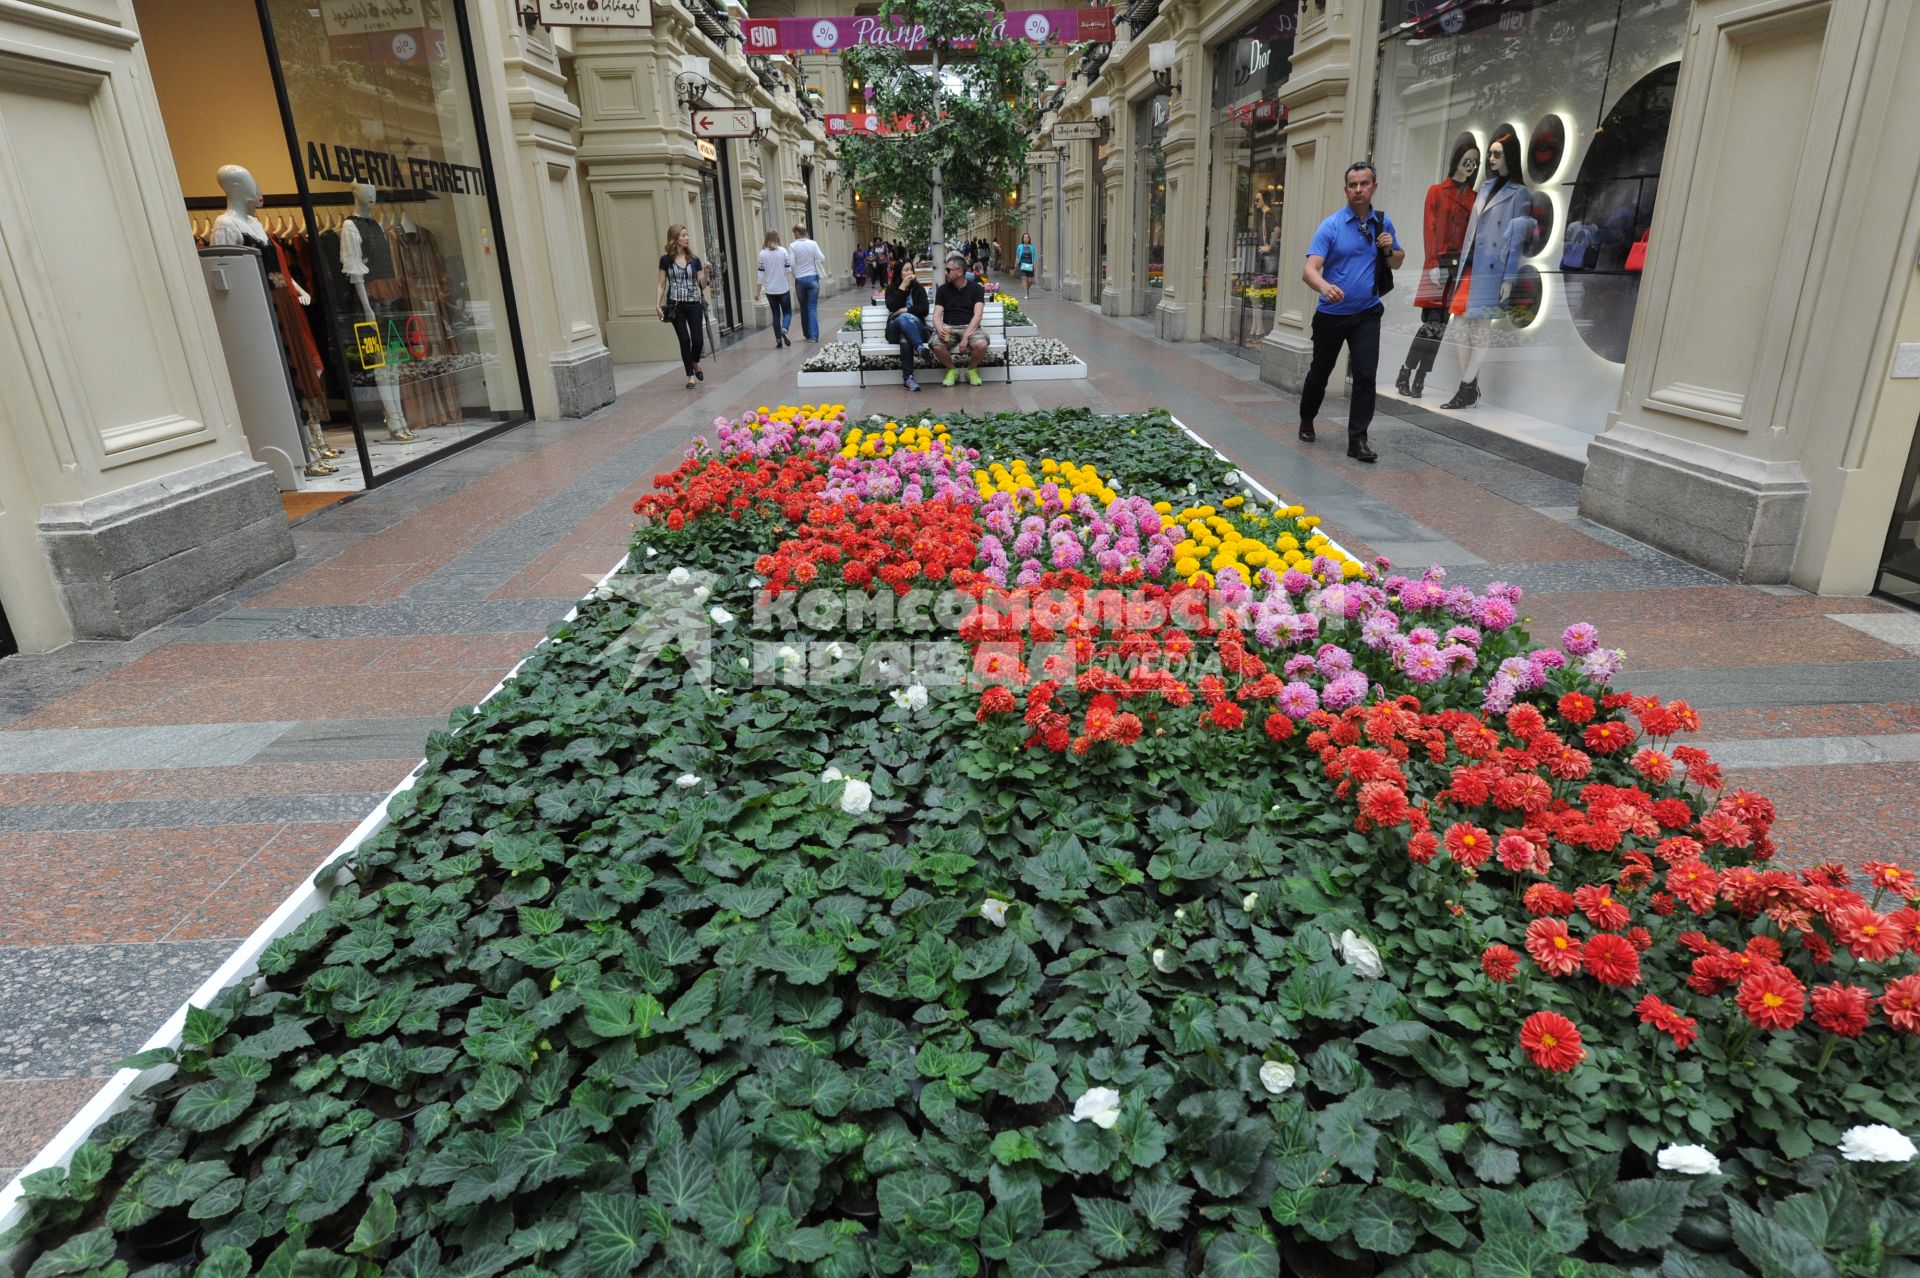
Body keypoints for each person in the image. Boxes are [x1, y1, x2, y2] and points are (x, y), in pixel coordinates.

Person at [1299, 161, 1404, 463]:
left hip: (1367, 313)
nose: (1359, 190)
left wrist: (1389, 249)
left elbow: (1396, 261)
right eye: (1353, 185)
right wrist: (1324, 286)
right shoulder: (1331, 226)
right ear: (1346, 189)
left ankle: (1358, 440)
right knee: (1320, 372)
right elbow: (1309, 270)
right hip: (1331, 315)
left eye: (1364, 184)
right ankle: (1307, 418)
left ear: (1374, 187)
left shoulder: (1383, 224)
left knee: (1365, 375)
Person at [656, 223, 711, 389]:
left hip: (694, 303)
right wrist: (657, 304)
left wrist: (706, 273)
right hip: (676, 305)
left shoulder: (694, 260)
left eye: (687, 235)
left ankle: (695, 362)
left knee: (698, 340)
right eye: (683, 235)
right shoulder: (665, 260)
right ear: (674, 239)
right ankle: (690, 376)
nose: (687, 238)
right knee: (684, 340)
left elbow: (701, 285)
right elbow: (661, 284)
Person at [930, 253, 988, 387]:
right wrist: (939, 328)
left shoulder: (976, 289)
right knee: (937, 345)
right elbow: (937, 314)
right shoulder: (943, 290)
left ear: (960, 272)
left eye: (948, 270)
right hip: (949, 327)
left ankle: (972, 370)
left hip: (971, 327)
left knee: (981, 345)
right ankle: (952, 370)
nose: (946, 273)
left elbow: (978, 315)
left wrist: (966, 337)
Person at [885, 259, 931, 392]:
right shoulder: (891, 289)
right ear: (899, 273)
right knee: (901, 319)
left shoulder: (918, 289)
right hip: (893, 331)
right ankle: (920, 348)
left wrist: (904, 310)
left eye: (911, 269)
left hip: (916, 330)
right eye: (906, 270)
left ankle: (908, 379)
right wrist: (903, 287)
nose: (910, 272)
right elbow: (892, 306)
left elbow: (925, 310)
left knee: (904, 338)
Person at [755, 229, 794, 348]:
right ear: (777, 238)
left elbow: (760, 274)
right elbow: (788, 269)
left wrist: (757, 291)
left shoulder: (762, 253)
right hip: (783, 288)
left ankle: (778, 340)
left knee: (776, 315)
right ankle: (784, 329)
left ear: (766, 239)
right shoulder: (783, 251)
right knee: (787, 312)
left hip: (770, 290)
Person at [789, 223, 825, 342]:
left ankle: (807, 333)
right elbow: (822, 258)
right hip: (813, 279)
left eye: (794, 232)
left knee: (803, 307)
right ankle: (814, 336)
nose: (794, 235)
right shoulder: (813, 244)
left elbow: (792, 264)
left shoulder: (793, 246)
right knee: (812, 308)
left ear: (798, 233)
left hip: (800, 280)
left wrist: (795, 274)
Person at [1015, 232, 1037, 298]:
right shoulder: (1020, 246)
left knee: (1030, 281)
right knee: (1024, 279)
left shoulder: (1032, 247)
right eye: (1025, 237)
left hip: (1030, 264)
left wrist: (1035, 265)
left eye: (1027, 237)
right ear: (1023, 239)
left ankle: (1027, 289)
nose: (1026, 238)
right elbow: (1017, 256)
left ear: (1029, 239)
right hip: (1022, 264)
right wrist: (1016, 264)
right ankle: (1026, 294)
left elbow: (1034, 256)